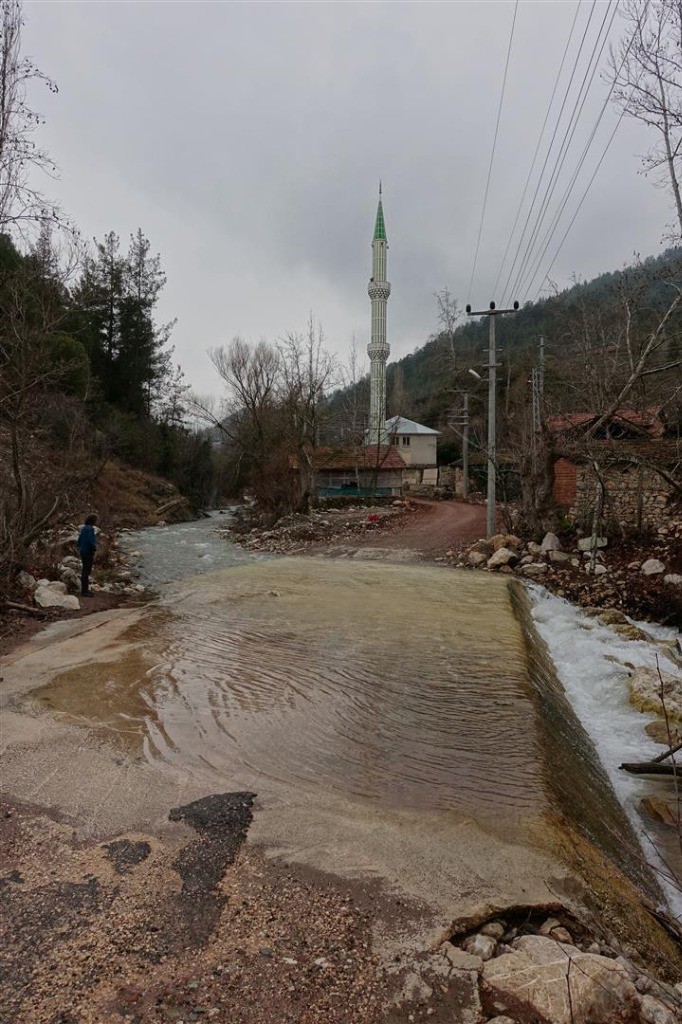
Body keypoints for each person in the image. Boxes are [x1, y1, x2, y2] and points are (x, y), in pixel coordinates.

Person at [77, 513, 98, 597]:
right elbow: (90, 541)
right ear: (93, 521)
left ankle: (84, 590)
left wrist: (80, 547)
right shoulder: (90, 529)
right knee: (87, 571)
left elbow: (79, 540)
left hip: (82, 551)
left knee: (84, 570)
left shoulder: (84, 528)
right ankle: (85, 591)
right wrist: (94, 548)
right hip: (88, 552)